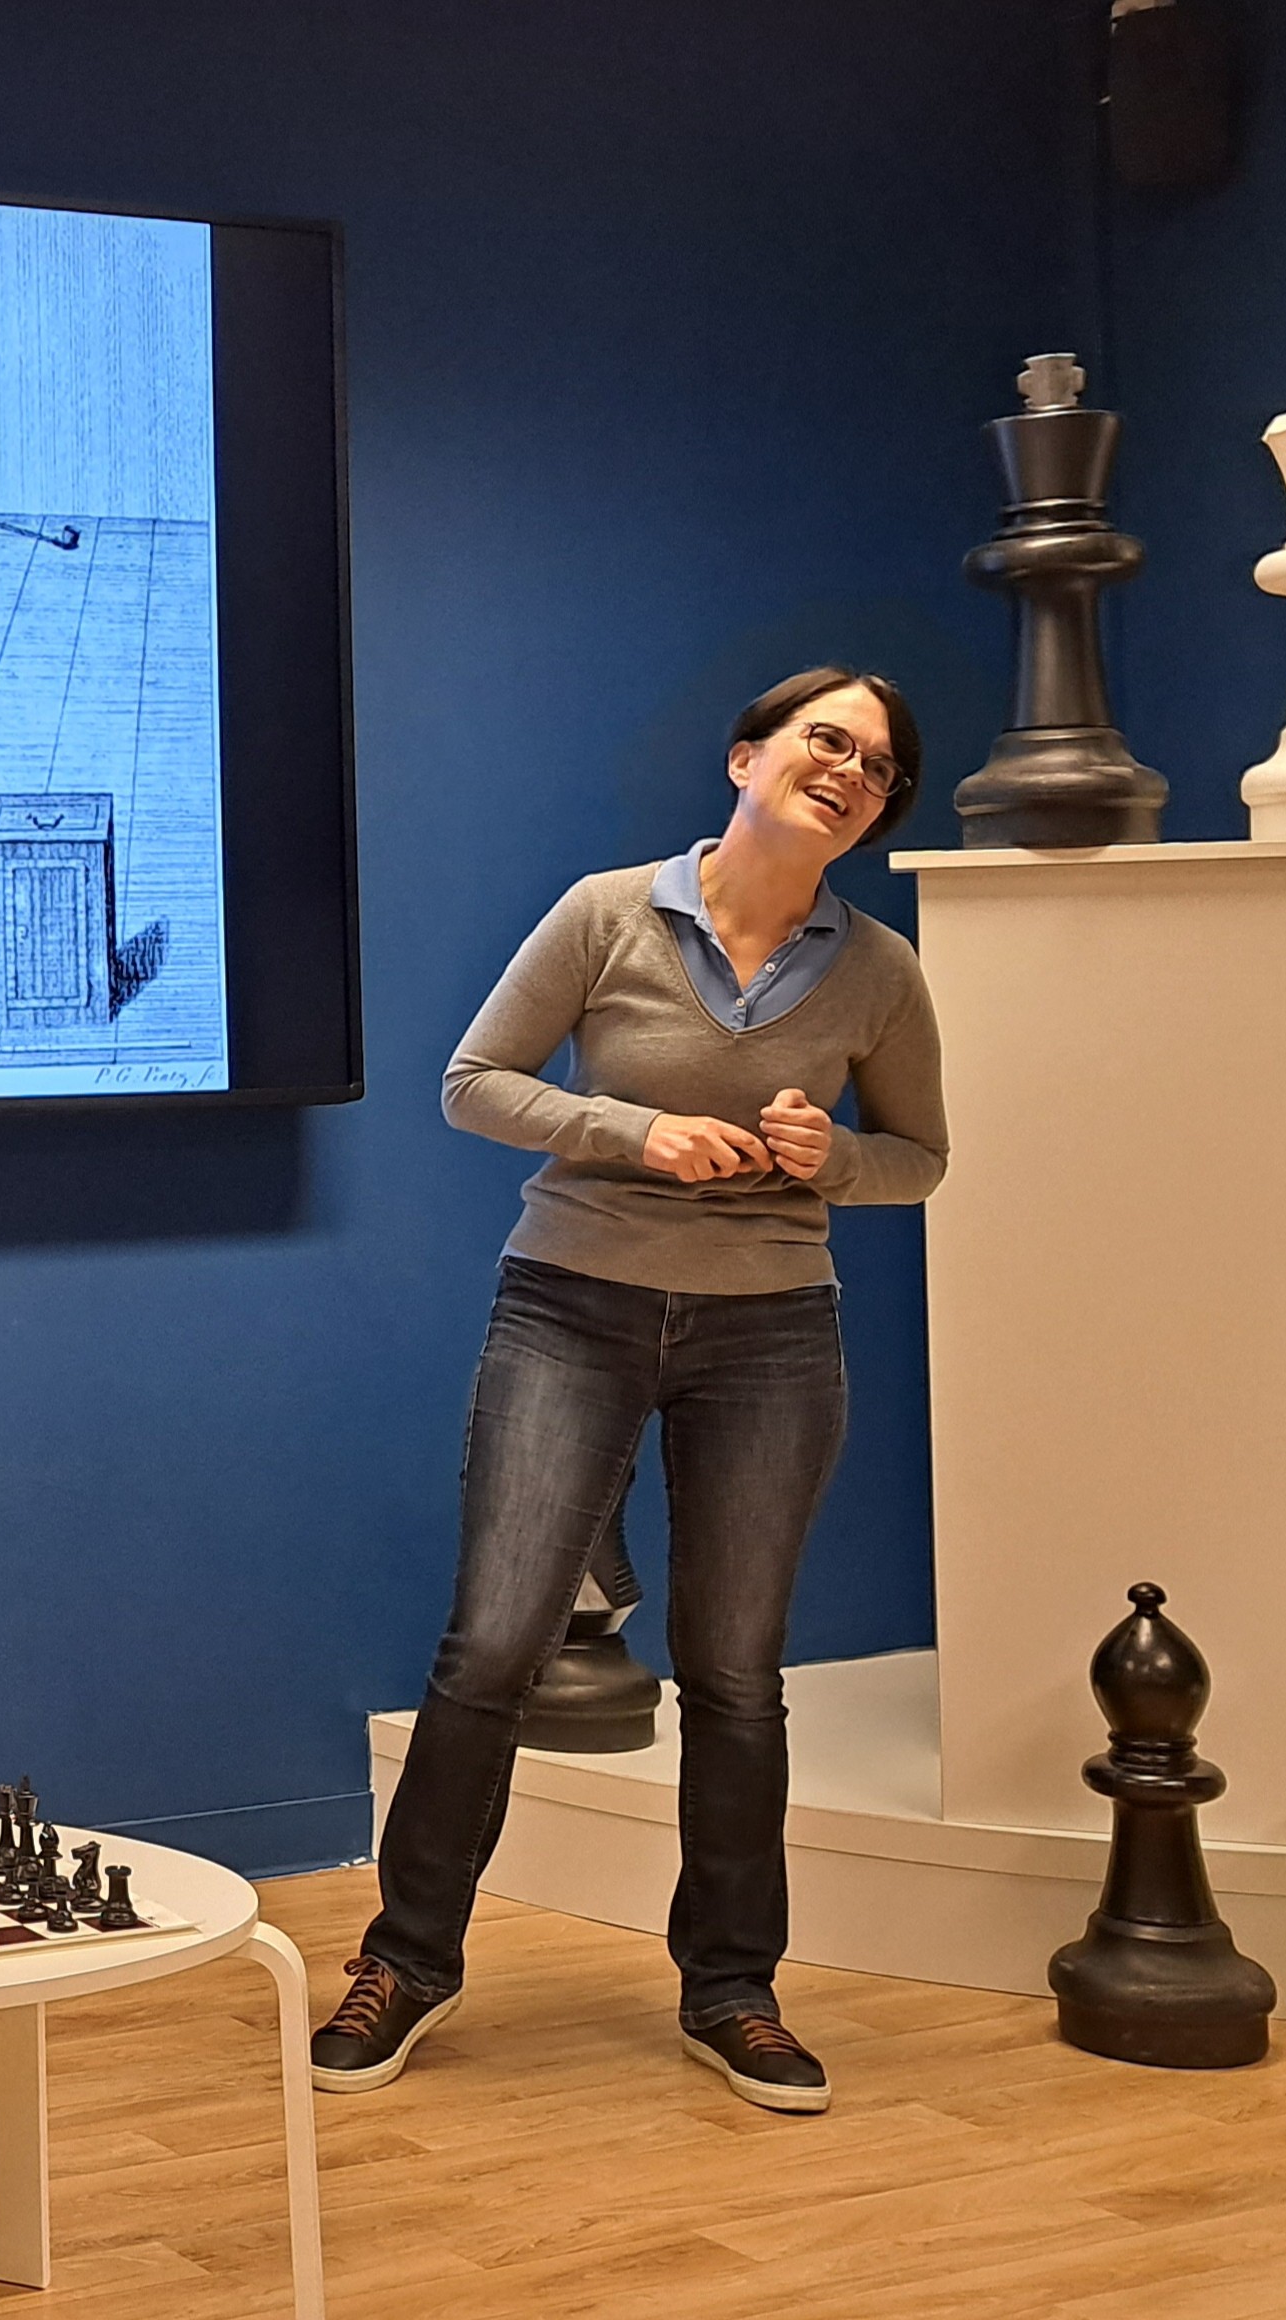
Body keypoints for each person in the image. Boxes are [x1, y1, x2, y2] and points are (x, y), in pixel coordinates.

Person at [315, 665, 949, 2113]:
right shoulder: (608, 913)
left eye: (879, 767)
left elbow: (920, 1159)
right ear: (747, 756)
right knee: (491, 1650)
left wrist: (827, 1160)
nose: (850, 772)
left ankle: (731, 1988)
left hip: (772, 1338)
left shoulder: (879, 970)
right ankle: (408, 1962)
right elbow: (473, 1082)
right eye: (824, 741)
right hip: (572, 1311)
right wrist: (635, 1131)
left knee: (736, 1676)